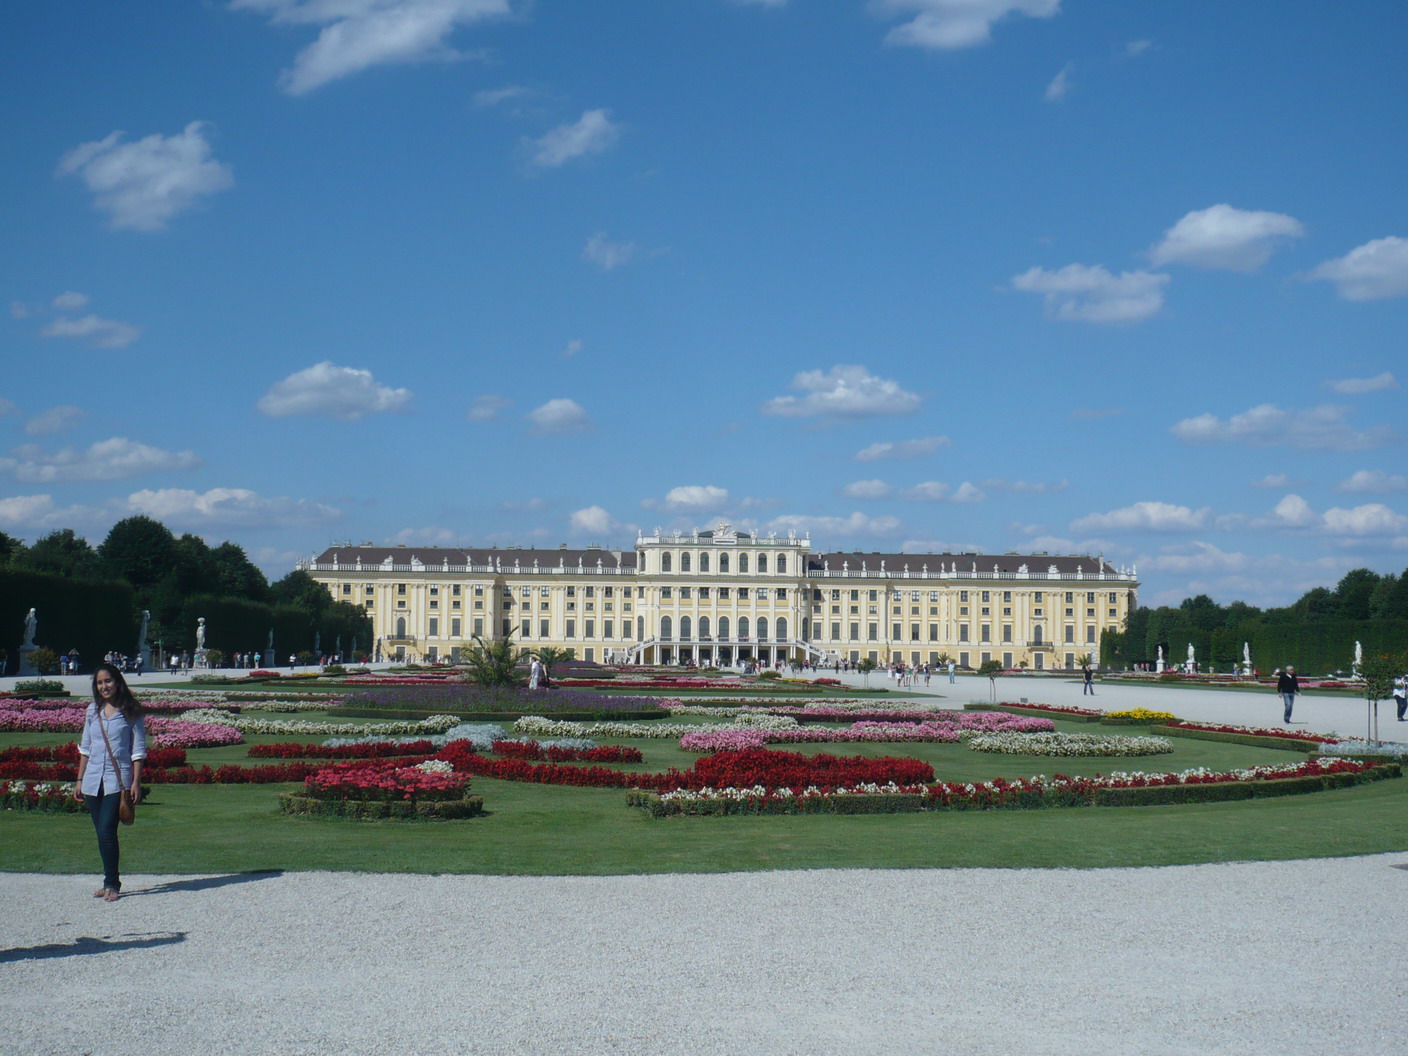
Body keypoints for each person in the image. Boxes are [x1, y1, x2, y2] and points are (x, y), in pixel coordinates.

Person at [72, 663, 146, 902]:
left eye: (108, 681)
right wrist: (79, 780)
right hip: (93, 780)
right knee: (101, 833)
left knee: (106, 831)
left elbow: (138, 751)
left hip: (118, 780)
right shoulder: (92, 711)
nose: (104, 686)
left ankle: (112, 883)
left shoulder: (131, 711)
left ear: (118, 682)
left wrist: (136, 782)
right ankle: (108, 881)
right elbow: (86, 748)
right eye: (99, 682)